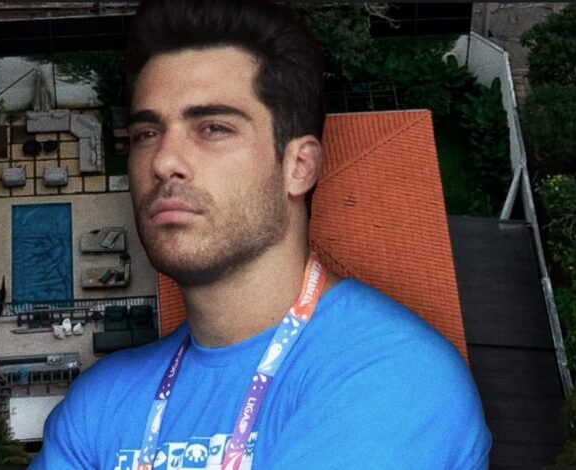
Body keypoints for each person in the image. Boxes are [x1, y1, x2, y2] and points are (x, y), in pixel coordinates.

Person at [31, 0, 492, 468]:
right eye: (147, 133)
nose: (164, 161)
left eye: (213, 128)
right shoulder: (99, 405)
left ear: (299, 166)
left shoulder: (392, 376)